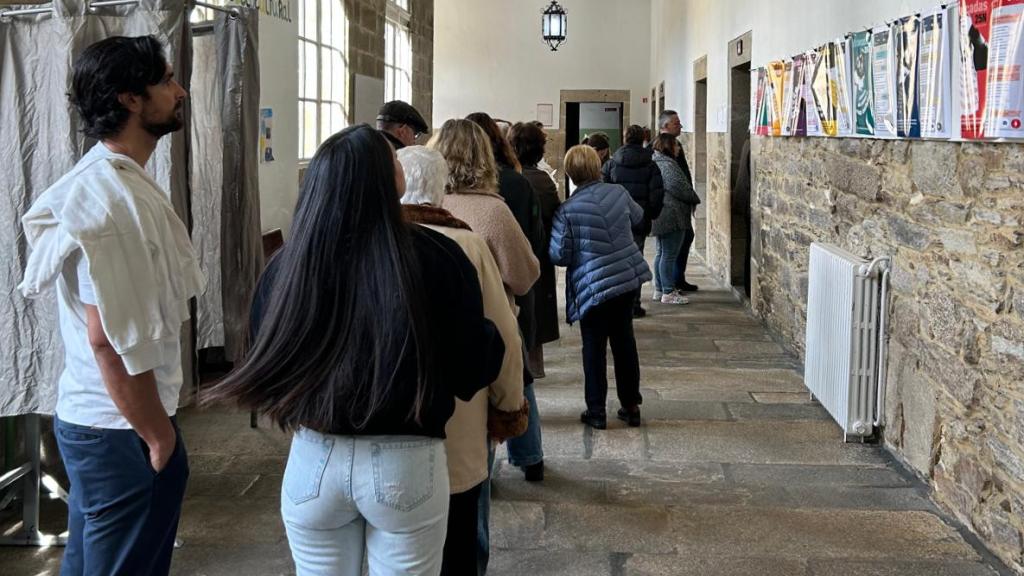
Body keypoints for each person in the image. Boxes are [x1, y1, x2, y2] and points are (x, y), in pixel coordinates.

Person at [205, 125, 506, 576]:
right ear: (394, 181)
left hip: (313, 457)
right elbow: (470, 370)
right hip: (406, 460)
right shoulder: (439, 257)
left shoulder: (286, 267)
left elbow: (265, 357)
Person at [18, 36, 201, 576]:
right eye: (166, 80)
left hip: (107, 424)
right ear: (130, 100)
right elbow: (107, 339)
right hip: (121, 429)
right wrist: (157, 434)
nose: (180, 91)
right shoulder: (109, 198)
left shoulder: (118, 183)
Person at [397, 145, 527, 576]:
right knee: (459, 543)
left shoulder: (366, 239)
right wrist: (508, 408)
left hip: (374, 426)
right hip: (457, 421)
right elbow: (504, 334)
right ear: (441, 189)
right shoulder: (465, 244)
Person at [428, 119, 541, 575]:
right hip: (477, 351)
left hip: (418, 356)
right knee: (472, 476)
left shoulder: (418, 206)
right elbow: (525, 274)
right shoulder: (491, 212)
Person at [460, 113, 546, 481]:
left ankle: (482, 468)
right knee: (516, 375)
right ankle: (529, 455)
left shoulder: (429, 202)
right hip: (504, 308)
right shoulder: (506, 193)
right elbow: (526, 268)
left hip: (451, 318)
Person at [550, 145, 651, 429]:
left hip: (592, 284)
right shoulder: (618, 193)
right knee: (625, 343)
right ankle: (631, 406)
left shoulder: (567, 209)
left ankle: (596, 411)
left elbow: (559, 255)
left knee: (593, 348)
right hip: (624, 278)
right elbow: (638, 216)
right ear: (597, 166)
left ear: (570, 173)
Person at [508, 121, 561, 378]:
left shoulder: (508, 178)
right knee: (533, 316)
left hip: (510, 257)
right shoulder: (540, 180)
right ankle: (532, 368)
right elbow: (554, 214)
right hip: (535, 256)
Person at [602, 124, 664, 318]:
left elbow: (603, 191)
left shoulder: (612, 164)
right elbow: (656, 194)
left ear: (625, 138)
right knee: (635, 261)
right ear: (642, 139)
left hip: (615, 221)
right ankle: (633, 304)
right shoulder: (651, 165)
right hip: (639, 220)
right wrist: (649, 215)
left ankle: (616, 302)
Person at [651, 133, 702, 305]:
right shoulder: (667, 164)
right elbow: (678, 186)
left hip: (663, 213)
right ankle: (668, 291)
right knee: (669, 254)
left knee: (662, 253)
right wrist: (694, 197)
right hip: (672, 214)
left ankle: (660, 288)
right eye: (676, 145)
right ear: (669, 146)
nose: (679, 148)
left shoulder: (657, 161)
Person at [658, 109, 699, 291]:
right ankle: (670, 284)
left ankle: (674, 280)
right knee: (669, 249)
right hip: (671, 207)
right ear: (665, 126)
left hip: (677, 206)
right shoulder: (661, 149)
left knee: (673, 245)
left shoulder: (675, 144)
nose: (680, 126)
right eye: (676, 123)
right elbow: (673, 180)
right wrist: (691, 196)